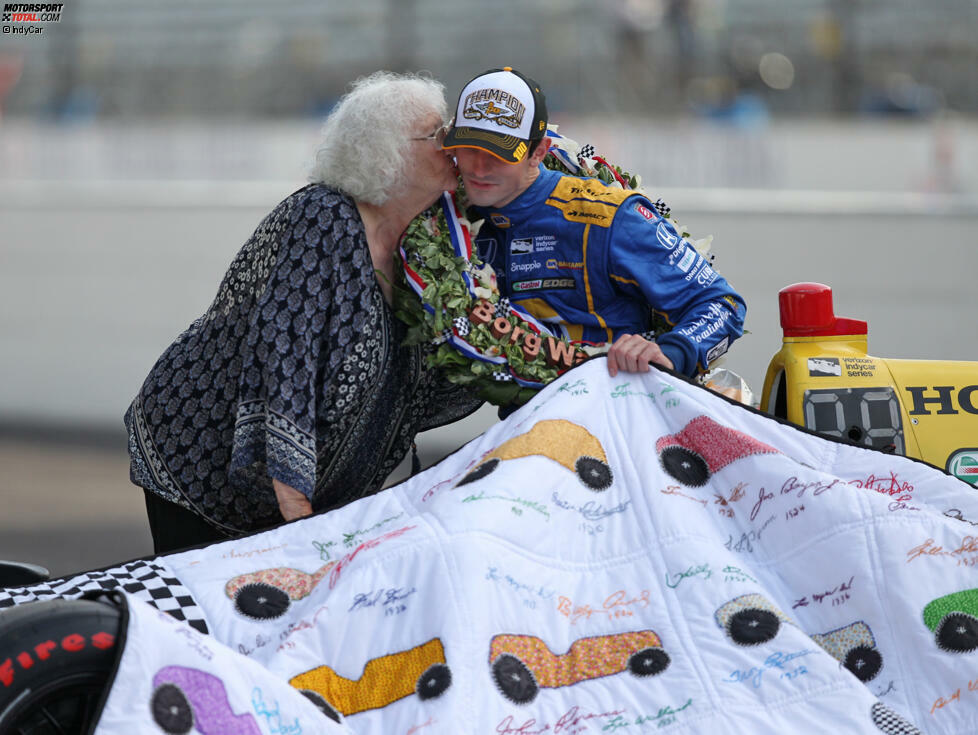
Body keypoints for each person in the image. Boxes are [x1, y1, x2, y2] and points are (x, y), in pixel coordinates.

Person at [125, 72, 482, 554]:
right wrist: (297, 511)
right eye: (438, 134)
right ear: (387, 154)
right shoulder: (323, 217)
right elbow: (284, 357)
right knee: (218, 615)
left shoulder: (424, 243)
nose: (453, 144)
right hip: (199, 460)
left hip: (298, 494)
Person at [442, 67, 746, 379]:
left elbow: (723, 304)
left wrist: (672, 353)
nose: (478, 168)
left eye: (498, 154)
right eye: (469, 149)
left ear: (539, 152)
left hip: (618, 411)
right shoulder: (445, 220)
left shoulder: (607, 217)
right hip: (528, 418)